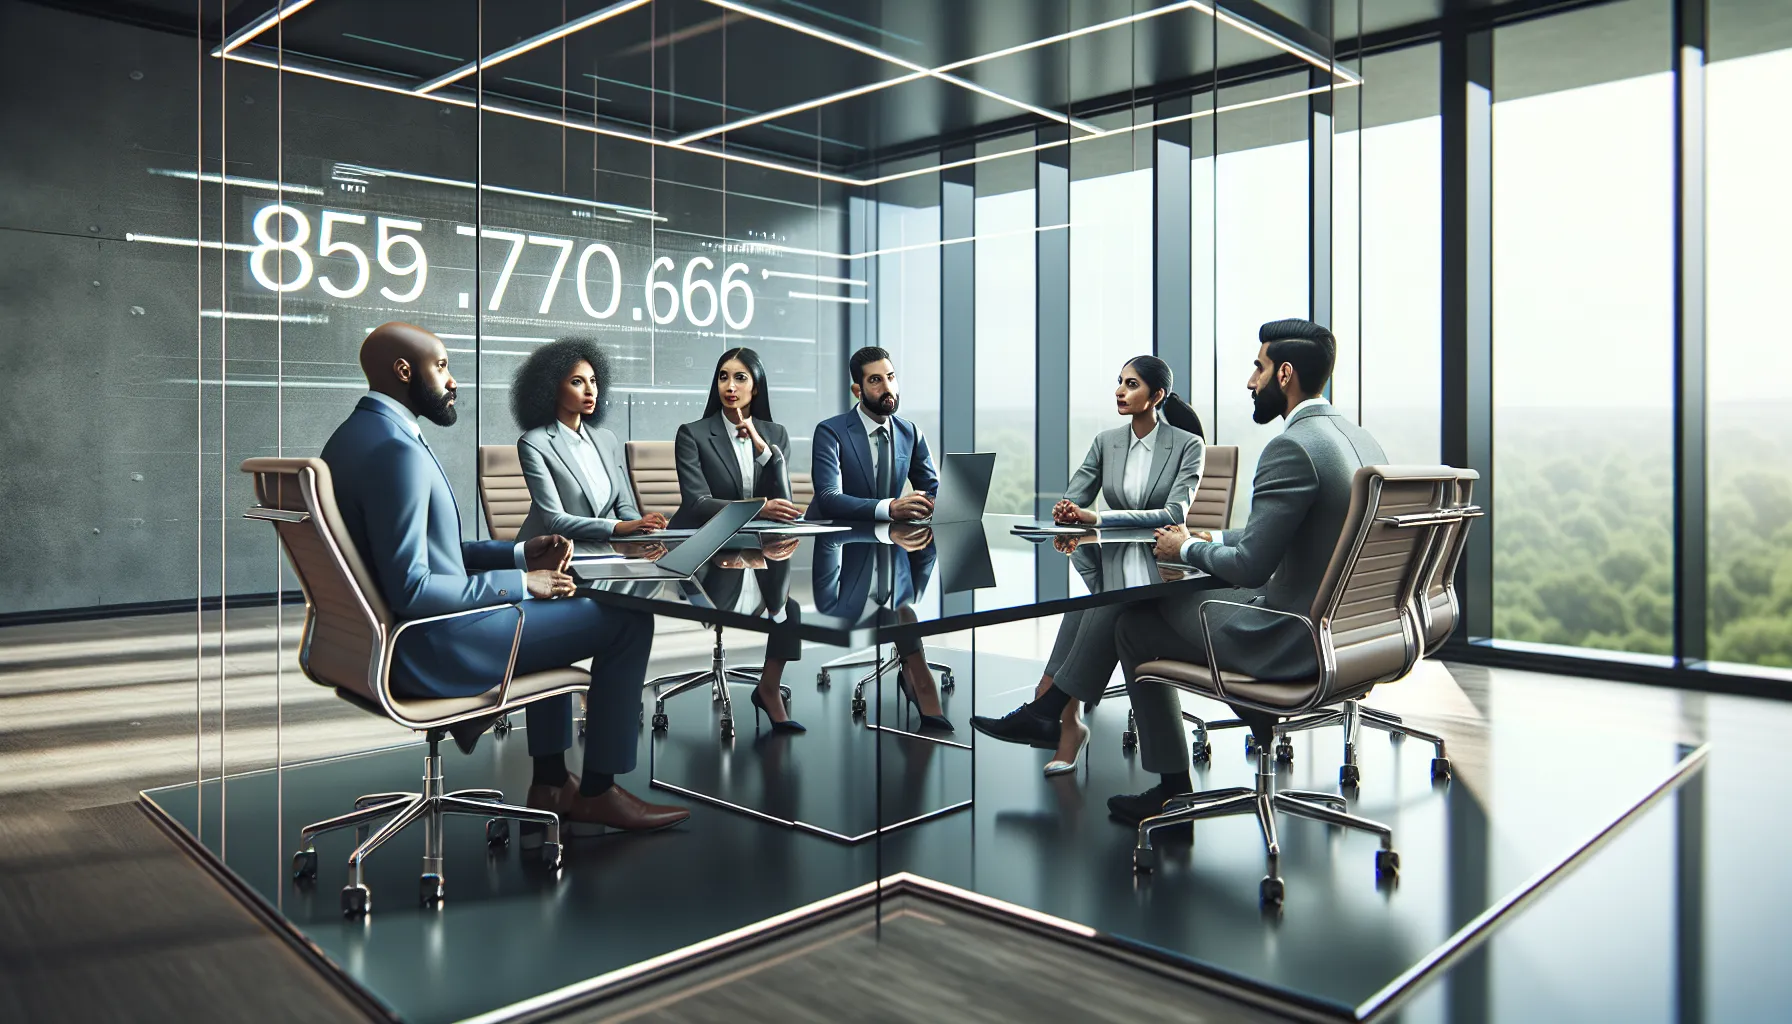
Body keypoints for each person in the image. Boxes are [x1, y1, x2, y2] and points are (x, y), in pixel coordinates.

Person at [320, 322, 688, 836]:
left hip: (382, 643)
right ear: (404, 372)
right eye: (441, 366)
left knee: (562, 617)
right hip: (434, 645)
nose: (452, 381)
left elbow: (430, 554)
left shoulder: (353, 438)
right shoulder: (396, 452)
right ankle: (599, 792)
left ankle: (552, 783)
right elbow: (414, 588)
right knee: (626, 621)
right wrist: (524, 584)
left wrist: (517, 553)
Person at [1102, 318, 1388, 826]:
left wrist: (1187, 548)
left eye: (1257, 368)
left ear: (1285, 374)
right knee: (1143, 612)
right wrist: (1215, 538)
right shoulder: (1359, 441)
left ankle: (1172, 789)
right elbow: (1297, 538)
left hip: (1286, 641)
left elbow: (1253, 567)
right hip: (1350, 640)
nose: (1250, 381)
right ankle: (1250, 717)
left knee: (1134, 619)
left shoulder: (1292, 447)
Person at [969, 355, 1205, 775]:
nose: (1119, 390)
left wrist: (1096, 518)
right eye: (1119, 382)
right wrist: (1067, 510)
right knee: (1094, 601)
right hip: (1114, 560)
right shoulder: (1106, 442)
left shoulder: (1188, 445)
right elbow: (1077, 499)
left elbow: (1172, 515)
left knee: (1101, 604)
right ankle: (1055, 714)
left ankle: (1051, 711)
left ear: (1157, 396)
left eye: (1131, 384)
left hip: (1165, 566)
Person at [809, 347, 950, 729]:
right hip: (840, 553)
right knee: (899, 606)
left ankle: (914, 667)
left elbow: (932, 488)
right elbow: (829, 498)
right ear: (858, 389)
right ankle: (920, 679)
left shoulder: (909, 431)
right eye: (875, 380)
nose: (887, 386)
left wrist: (937, 503)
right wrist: (891, 507)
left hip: (892, 550)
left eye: (890, 376)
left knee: (903, 601)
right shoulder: (832, 431)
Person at [674, 347, 806, 730]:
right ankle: (776, 608)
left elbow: (785, 505)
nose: (729, 386)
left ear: (757, 387)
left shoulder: (775, 435)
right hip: (708, 550)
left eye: (740, 378)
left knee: (786, 589)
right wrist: (759, 509)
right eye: (723, 377)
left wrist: (769, 456)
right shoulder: (694, 434)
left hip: (757, 551)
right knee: (783, 606)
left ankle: (768, 688)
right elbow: (697, 503)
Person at [513, 338, 665, 544]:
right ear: (551, 388)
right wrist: (619, 527)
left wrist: (646, 528)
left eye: (593, 381)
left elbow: (625, 508)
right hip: (547, 553)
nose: (590, 390)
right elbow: (555, 521)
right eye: (577, 382)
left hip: (596, 550)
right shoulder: (534, 443)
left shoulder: (606, 440)